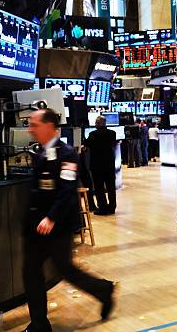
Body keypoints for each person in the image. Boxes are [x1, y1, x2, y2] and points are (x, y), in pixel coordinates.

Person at [23, 109, 115, 332]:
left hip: (58, 227)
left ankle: (103, 289)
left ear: (49, 126)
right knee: (31, 272)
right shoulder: (41, 152)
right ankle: (39, 324)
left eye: (35, 124)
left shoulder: (66, 154)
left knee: (67, 271)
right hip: (38, 228)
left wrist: (51, 218)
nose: (30, 129)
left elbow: (66, 191)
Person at [84, 116, 117, 215]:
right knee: (111, 187)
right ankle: (112, 208)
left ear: (97, 123)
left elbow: (86, 144)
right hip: (109, 164)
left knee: (99, 188)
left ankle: (102, 208)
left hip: (97, 165)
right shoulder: (112, 133)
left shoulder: (93, 134)